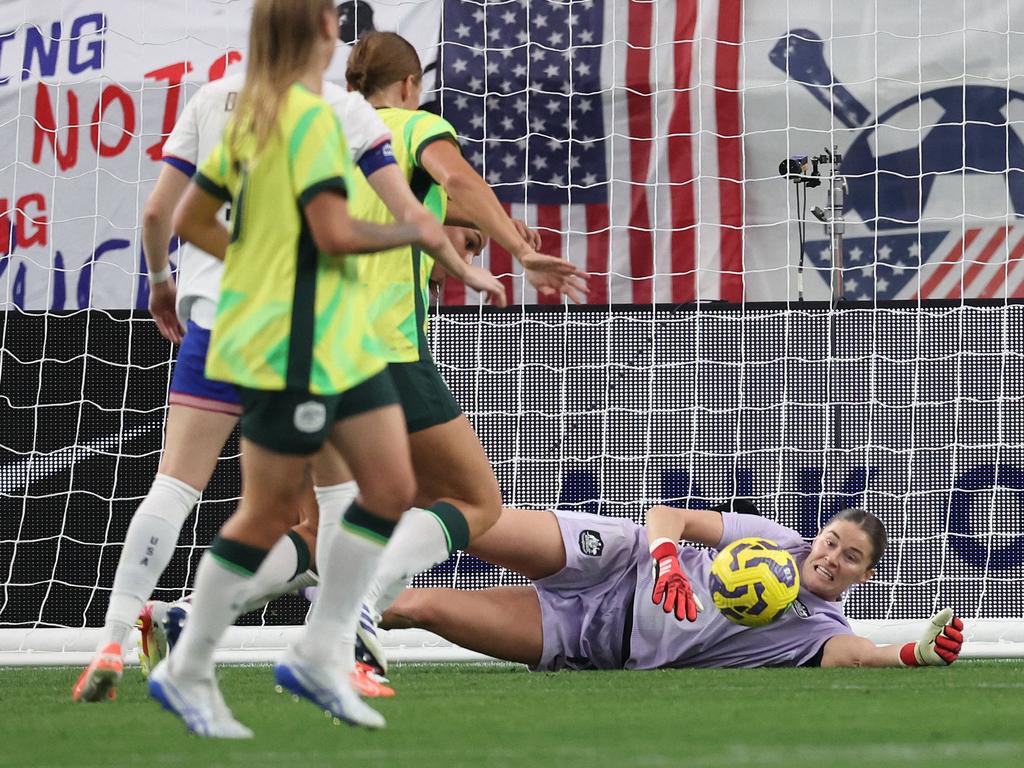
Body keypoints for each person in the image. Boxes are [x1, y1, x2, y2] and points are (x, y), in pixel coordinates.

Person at [70, 7, 503, 708]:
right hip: (306, 332)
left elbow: (161, 216)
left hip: (219, 322)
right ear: (328, 40)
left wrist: (160, 285)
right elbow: (407, 218)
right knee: (342, 501)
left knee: (176, 489)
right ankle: (336, 654)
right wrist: (464, 262)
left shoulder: (216, 100)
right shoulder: (338, 113)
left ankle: (115, 639)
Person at [334, 31, 589, 643]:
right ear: (409, 86)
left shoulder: (325, 134)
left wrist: (475, 227)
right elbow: (458, 182)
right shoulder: (414, 124)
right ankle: (359, 605)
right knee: (478, 502)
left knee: (340, 516)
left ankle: (184, 613)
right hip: (384, 343)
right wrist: (518, 249)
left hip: (307, 344)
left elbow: (403, 208)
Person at [381, 504, 965, 670]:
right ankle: (334, 524)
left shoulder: (818, 630)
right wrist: (666, 563)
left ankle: (325, 591)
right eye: (832, 541)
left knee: (417, 606)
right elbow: (670, 516)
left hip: (593, 639)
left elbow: (859, 656)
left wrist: (916, 652)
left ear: (865, 576)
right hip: (616, 560)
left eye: (851, 557)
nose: (832, 556)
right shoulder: (775, 541)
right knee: (474, 520)